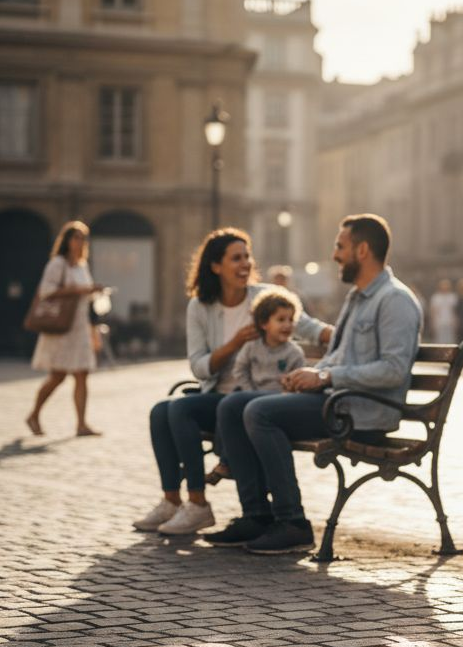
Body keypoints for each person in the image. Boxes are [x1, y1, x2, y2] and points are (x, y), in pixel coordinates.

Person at [206, 214, 422, 554]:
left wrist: (324, 376)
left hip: (361, 412)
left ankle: (293, 522)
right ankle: (257, 516)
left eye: (340, 246)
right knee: (233, 405)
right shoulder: (357, 297)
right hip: (336, 401)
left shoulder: (395, 300)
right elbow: (338, 356)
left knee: (259, 412)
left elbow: (393, 370)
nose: (335, 254)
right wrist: (307, 376)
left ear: (362, 250)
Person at [133, 229, 331, 536]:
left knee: (179, 410)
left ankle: (197, 504)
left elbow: (309, 327)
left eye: (247, 257)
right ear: (216, 266)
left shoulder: (263, 297)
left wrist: (345, 335)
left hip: (252, 399)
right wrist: (233, 343)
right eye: (236, 258)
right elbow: (199, 366)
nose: (245, 264)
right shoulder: (200, 307)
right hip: (219, 394)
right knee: (161, 411)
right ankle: (172, 501)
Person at [26, 221, 104, 438]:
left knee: (82, 374)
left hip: (79, 326)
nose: (80, 242)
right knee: (57, 376)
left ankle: (81, 424)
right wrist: (79, 289)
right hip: (61, 327)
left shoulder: (82, 265)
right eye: (76, 237)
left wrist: (93, 292)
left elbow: (84, 297)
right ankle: (34, 414)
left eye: (83, 238)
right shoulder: (57, 264)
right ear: (67, 240)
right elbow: (46, 292)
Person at [232, 287, 308, 393]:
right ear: (264, 323)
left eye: (291, 320)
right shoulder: (252, 347)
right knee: (229, 402)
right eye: (281, 320)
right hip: (251, 393)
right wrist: (249, 391)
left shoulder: (294, 353)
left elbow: (299, 381)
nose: (287, 325)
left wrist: (289, 385)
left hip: (278, 399)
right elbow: (240, 371)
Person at [428, 279, 457, 344]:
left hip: (450, 322)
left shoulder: (452, 297)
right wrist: (433, 323)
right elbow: (433, 310)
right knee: (440, 340)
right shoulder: (436, 297)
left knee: (450, 340)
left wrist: (455, 321)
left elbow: (454, 310)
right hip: (439, 322)